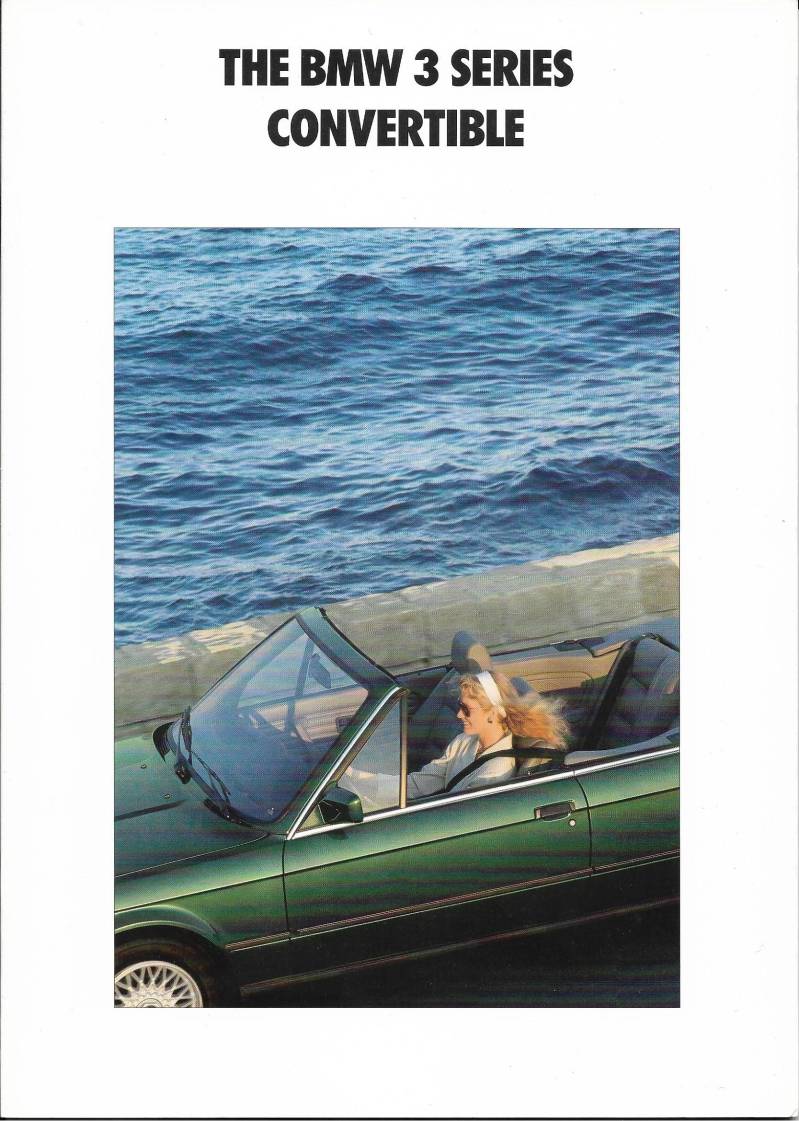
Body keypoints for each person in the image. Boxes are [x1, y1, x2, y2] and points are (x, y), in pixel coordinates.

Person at [343, 669, 568, 809]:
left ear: (493, 713)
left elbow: (455, 814)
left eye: (466, 709)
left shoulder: (495, 773)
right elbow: (418, 784)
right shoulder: (463, 742)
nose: (459, 714)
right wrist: (359, 779)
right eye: (460, 706)